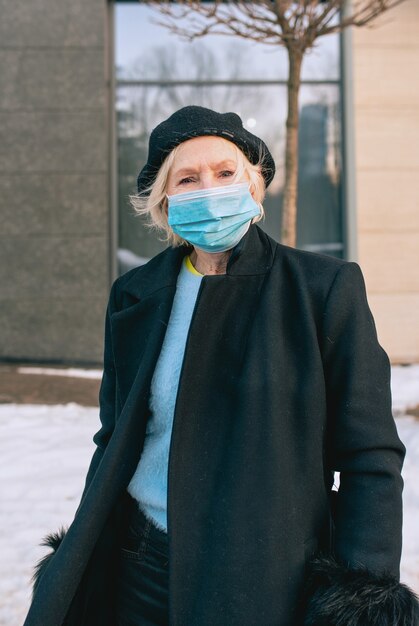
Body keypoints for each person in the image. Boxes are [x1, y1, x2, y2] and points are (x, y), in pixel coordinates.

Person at [24, 106, 418, 626]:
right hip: (136, 566)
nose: (208, 188)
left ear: (254, 187)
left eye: (225, 172)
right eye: (187, 178)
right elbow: (114, 435)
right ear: (166, 202)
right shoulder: (135, 295)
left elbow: (370, 457)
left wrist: (359, 595)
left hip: (264, 578)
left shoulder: (322, 289)